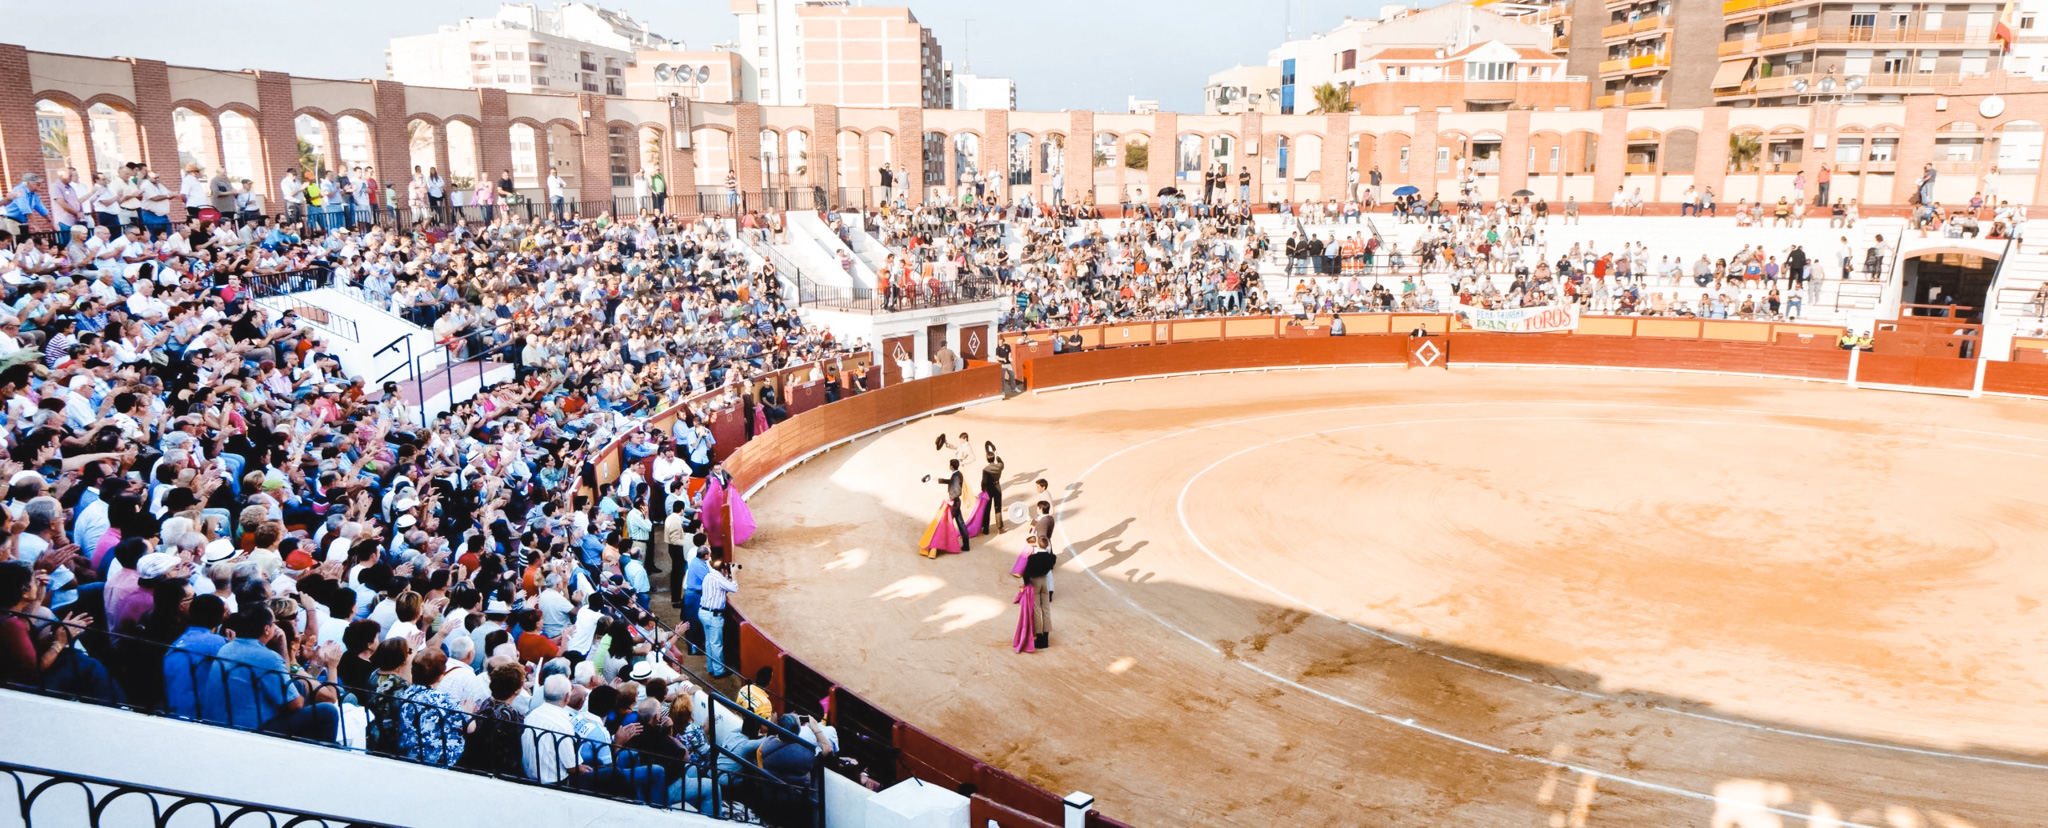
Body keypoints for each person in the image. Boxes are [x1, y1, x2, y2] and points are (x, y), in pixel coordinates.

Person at [1011, 536, 1055, 652]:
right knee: (1046, 609)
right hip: (1044, 583)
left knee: (1036, 609)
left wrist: (1026, 584)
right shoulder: (1052, 558)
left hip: (1035, 583)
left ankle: (1039, 637)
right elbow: (1050, 567)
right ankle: (1046, 638)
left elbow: (1026, 573)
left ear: (1038, 545)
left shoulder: (1032, 558)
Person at [697, 560, 737, 678]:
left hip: (704, 612)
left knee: (709, 642)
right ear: (723, 570)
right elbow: (733, 588)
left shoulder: (708, 576)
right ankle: (718, 671)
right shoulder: (718, 578)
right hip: (713, 616)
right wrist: (733, 574)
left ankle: (711, 667)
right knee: (716, 644)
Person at [974, 442, 1004, 536]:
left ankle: (986, 529)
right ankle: (1000, 528)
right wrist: (997, 454)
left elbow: (984, 482)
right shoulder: (999, 466)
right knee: (998, 508)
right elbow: (1001, 462)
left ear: (987, 459)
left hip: (989, 490)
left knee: (987, 509)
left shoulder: (985, 470)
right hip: (997, 488)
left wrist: (983, 490)